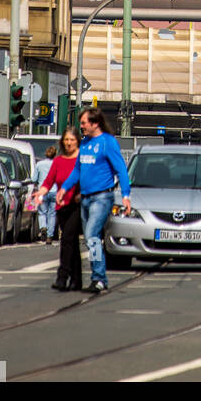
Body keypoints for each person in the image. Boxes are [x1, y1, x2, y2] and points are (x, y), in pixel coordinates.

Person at [56, 108, 131, 295]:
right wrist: (65, 188)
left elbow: (121, 169)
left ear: (95, 123)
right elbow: (78, 171)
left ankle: (99, 278)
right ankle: (97, 277)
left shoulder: (107, 142)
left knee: (91, 236)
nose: (81, 127)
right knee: (91, 239)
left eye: (84, 123)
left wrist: (126, 195)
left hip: (101, 197)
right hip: (86, 199)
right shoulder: (86, 143)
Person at [34, 128, 83, 291]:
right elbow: (48, 181)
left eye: (72, 140)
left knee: (67, 239)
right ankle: (77, 279)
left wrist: (81, 194)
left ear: (77, 141)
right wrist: (40, 192)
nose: (69, 143)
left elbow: (90, 180)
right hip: (61, 206)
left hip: (77, 206)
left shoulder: (83, 160)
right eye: (66, 139)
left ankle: (62, 277)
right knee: (72, 243)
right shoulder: (58, 161)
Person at [34, 147, 58, 244]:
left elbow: (34, 178)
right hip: (54, 191)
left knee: (42, 212)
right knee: (52, 214)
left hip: (42, 191)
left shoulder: (39, 164)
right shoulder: (57, 164)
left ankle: (43, 227)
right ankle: (50, 235)